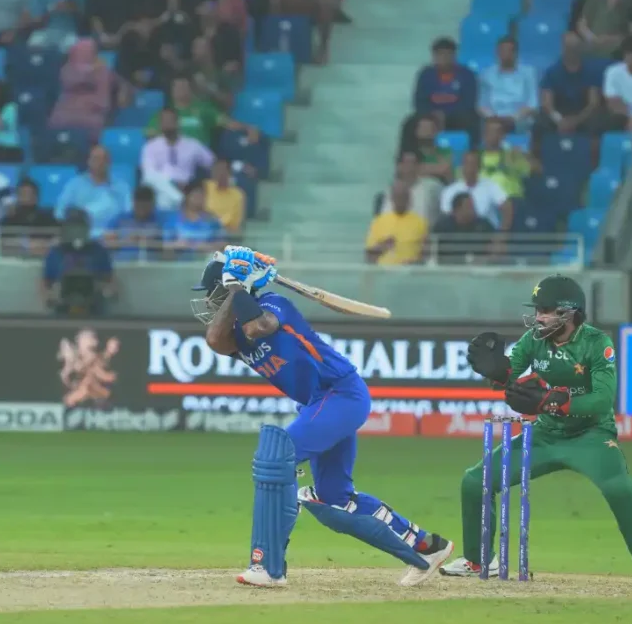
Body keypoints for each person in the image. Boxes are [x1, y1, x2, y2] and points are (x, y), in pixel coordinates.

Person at [192, 245, 455, 587]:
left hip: (341, 394)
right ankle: (426, 547)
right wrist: (235, 287)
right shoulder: (232, 336)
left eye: (215, 294)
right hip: (320, 403)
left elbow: (260, 326)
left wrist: (237, 288)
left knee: (278, 458)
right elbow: (215, 340)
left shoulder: (274, 304)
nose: (211, 303)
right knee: (334, 501)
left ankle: (268, 566)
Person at [441, 274, 632, 585]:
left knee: (620, 488)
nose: (538, 317)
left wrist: (550, 401)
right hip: (545, 435)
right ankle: (479, 561)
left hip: (591, 435)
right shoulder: (534, 340)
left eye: (546, 310)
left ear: (569, 313)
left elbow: (602, 401)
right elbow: (510, 373)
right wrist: (496, 372)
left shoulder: (597, 344)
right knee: (474, 480)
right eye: (537, 310)